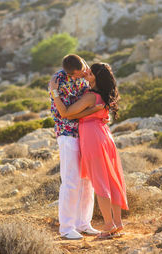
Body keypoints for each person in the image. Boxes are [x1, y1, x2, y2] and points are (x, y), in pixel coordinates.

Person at [50, 62, 128, 239]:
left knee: (99, 182)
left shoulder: (91, 96)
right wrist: (94, 111)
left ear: (97, 78)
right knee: (111, 179)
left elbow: (67, 113)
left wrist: (55, 93)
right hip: (105, 135)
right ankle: (117, 223)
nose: (86, 74)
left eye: (90, 73)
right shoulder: (104, 95)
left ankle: (108, 225)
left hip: (93, 137)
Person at [49, 54, 102, 240]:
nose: (84, 74)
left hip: (86, 133)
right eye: (80, 74)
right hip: (67, 134)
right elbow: (66, 114)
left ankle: (83, 223)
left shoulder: (85, 75)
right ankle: (66, 227)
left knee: (87, 180)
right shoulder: (58, 82)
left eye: (84, 70)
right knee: (70, 181)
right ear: (70, 73)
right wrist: (94, 110)